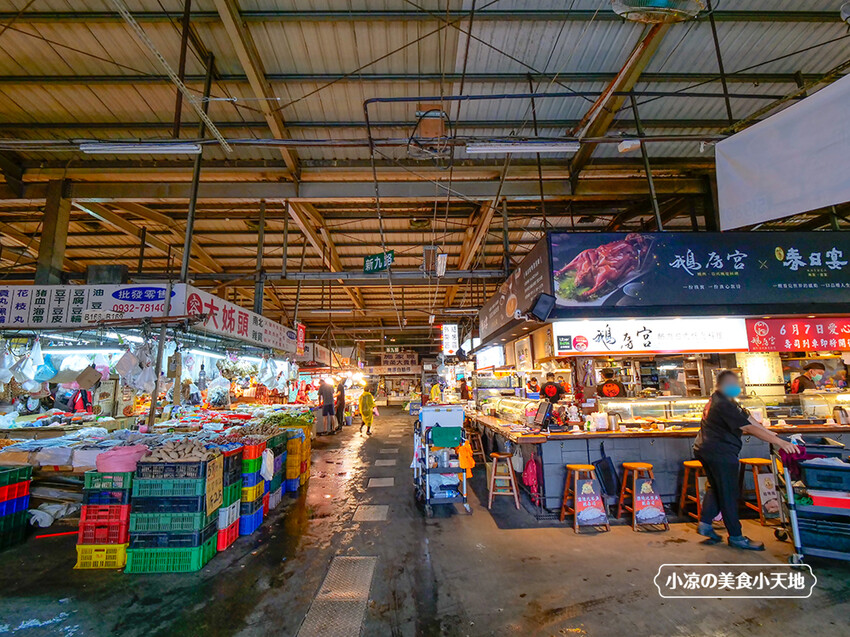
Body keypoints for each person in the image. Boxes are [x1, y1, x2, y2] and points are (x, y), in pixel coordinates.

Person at [693, 370, 798, 550]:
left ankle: (705, 524)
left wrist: (769, 433)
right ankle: (736, 536)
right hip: (720, 452)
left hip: (705, 449)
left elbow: (747, 417)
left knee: (716, 487)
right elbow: (748, 426)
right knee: (728, 493)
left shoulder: (722, 399)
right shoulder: (723, 404)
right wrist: (779, 442)